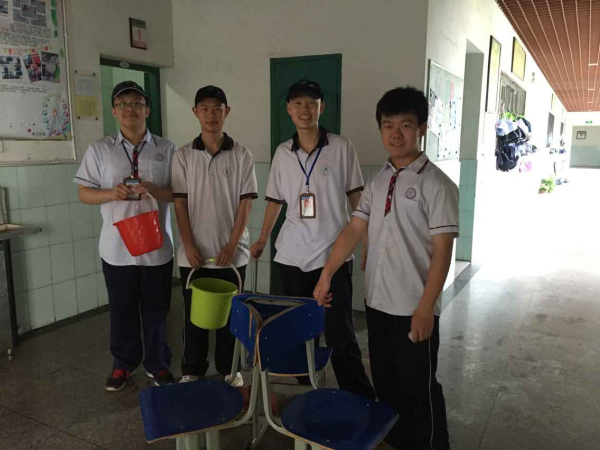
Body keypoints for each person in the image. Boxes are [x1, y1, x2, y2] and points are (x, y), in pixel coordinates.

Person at [313, 86, 457, 449]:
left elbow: (443, 252)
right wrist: (327, 273)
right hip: (377, 304)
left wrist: (426, 308)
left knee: (419, 389)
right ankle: (397, 443)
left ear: (422, 128)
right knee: (387, 384)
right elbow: (354, 229)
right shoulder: (378, 181)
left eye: (405, 125)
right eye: (387, 125)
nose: (395, 134)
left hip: (413, 307)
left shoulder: (437, 185)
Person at [251, 79, 375, 399]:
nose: (304, 109)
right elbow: (275, 201)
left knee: (340, 333)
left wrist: (368, 239)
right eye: (298, 103)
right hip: (291, 255)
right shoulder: (282, 152)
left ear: (322, 107)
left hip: (333, 255)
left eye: (311, 103)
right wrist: (263, 238)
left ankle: (357, 398)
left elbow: (356, 197)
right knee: (297, 331)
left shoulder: (342, 147)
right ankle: (307, 393)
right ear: (288, 109)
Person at [75, 81, 176, 391]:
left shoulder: (167, 149)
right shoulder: (100, 149)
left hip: (157, 248)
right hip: (116, 248)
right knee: (121, 311)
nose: (130, 108)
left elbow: (180, 194)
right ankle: (123, 364)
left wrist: (155, 190)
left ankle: (157, 363)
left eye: (136, 103)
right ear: (114, 111)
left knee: (157, 311)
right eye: (123, 103)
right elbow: (84, 193)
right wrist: (110, 193)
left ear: (147, 110)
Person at [172, 85, 258, 385]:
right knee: (193, 315)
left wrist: (232, 245)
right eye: (205, 109)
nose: (211, 115)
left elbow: (246, 204)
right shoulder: (183, 155)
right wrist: (188, 244)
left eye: (217, 109)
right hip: (193, 254)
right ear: (195, 112)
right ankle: (192, 369)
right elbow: (179, 203)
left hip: (232, 254)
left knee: (231, 316)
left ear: (227, 112)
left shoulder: (242, 154)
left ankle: (229, 369)